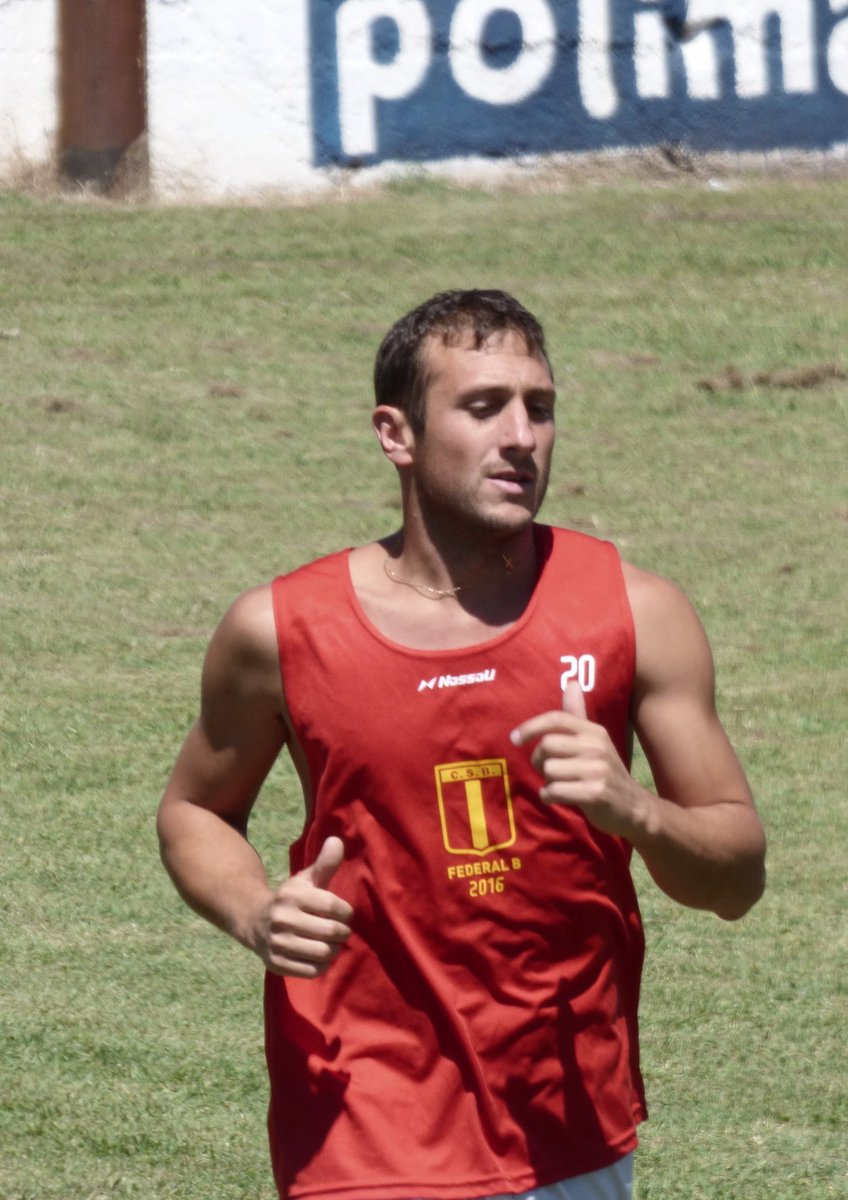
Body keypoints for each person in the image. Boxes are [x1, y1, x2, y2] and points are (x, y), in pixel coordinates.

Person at [157, 289, 766, 1200]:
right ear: (395, 434)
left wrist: (635, 810)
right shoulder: (280, 630)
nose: (521, 435)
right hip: (361, 1117)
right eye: (483, 407)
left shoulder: (635, 613)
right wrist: (253, 912)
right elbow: (196, 809)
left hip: (568, 1121)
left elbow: (736, 879)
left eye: (541, 407)